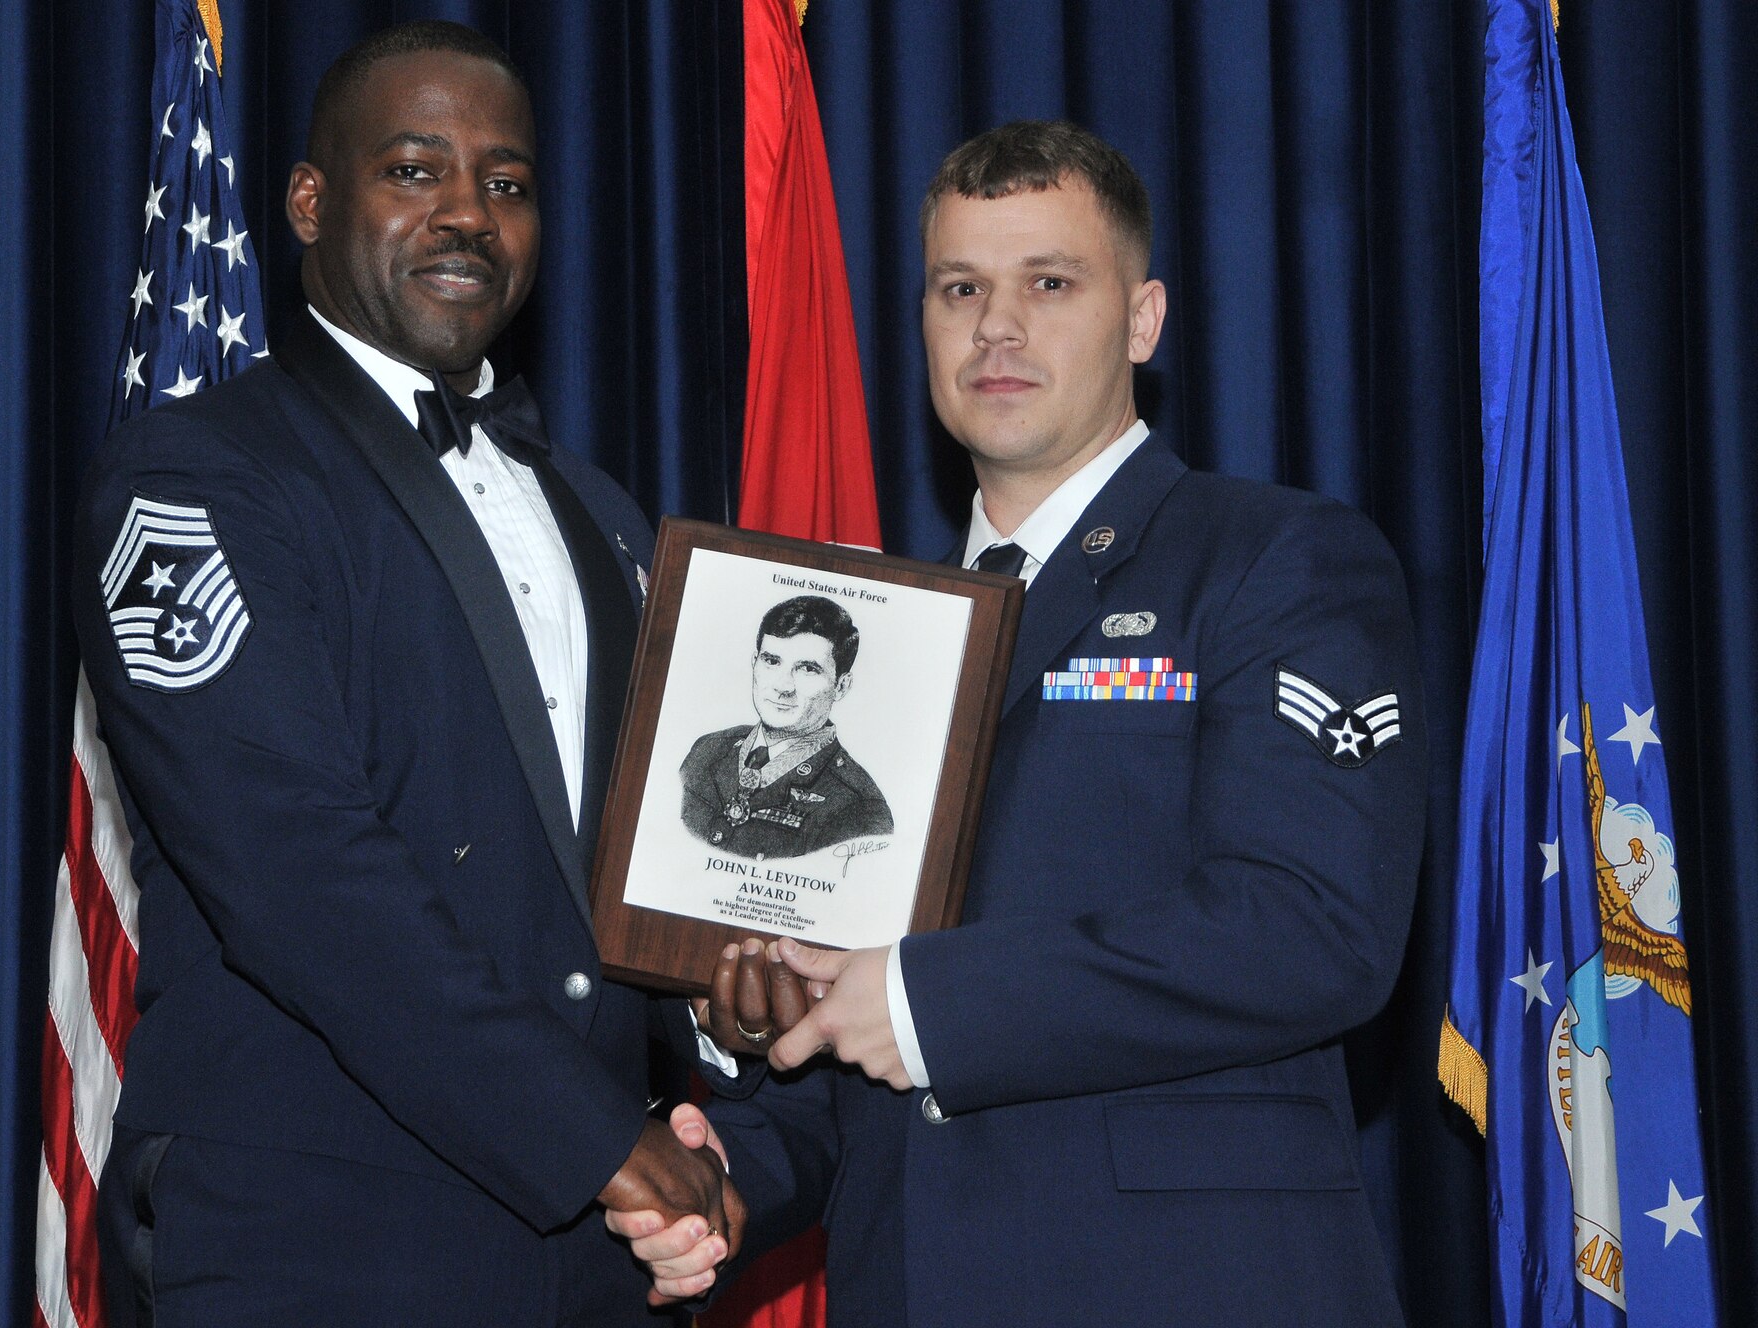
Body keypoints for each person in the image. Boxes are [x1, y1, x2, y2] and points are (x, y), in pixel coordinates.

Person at [614, 121, 1428, 1327]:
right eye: (959, 289)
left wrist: (923, 1004)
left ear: (1141, 320)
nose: (996, 326)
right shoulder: (884, 633)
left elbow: (1310, 927)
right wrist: (728, 1179)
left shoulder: (1273, 559)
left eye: (1048, 283)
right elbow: (861, 1062)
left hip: (1189, 1289)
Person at [75, 22, 736, 1326]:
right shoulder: (194, 480)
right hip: (322, 1243)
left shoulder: (603, 515)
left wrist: (733, 1025)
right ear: (309, 203)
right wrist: (593, 1136)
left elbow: (654, 870)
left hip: (597, 1267)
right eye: (415, 169)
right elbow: (296, 869)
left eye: (506, 182)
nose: (467, 214)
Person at [680, 594, 894, 858]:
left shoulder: (860, 807)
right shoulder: (707, 750)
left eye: (808, 669)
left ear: (841, 686)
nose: (783, 686)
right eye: (772, 661)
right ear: (754, 663)